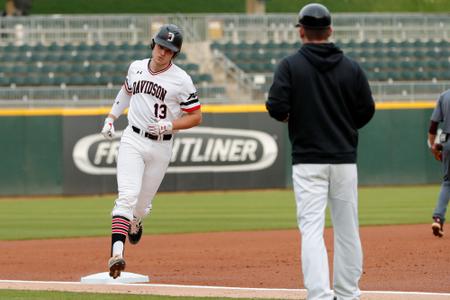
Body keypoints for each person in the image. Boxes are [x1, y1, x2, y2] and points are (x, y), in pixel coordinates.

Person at [266, 3, 375, 300]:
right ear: (330, 31)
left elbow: (275, 106)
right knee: (347, 228)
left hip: (307, 161)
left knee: (312, 230)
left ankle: (319, 295)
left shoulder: (290, 65)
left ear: (301, 31)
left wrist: (293, 115)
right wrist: (344, 123)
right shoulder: (351, 67)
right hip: (343, 159)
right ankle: (348, 293)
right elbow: (367, 110)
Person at [100, 24, 202, 279]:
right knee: (126, 196)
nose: (162, 52)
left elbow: (196, 116)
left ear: (174, 54)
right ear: (153, 44)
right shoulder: (136, 67)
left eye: (168, 50)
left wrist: (171, 124)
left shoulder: (181, 80)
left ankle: (136, 220)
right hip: (132, 138)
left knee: (142, 205)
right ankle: (117, 253)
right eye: (160, 46)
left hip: (161, 145)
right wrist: (111, 117)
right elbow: (126, 91)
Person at [428, 89, 450, 238]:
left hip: (446, 141)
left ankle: (438, 218)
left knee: (448, 183)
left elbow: (433, 125)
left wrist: (433, 146)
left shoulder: (444, 95)